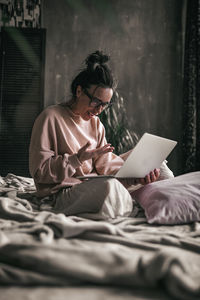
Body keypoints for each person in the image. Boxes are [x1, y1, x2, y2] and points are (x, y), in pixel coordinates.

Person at [29, 50, 174, 219]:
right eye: (96, 101)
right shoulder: (50, 117)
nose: (99, 110)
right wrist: (77, 159)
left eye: (105, 105)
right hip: (63, 192)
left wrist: (136, 178)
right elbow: (39, 173)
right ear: (79, 91)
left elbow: (104, 166)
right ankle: (131, 201)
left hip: (94, 181)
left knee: (161, 169)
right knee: (109, 187)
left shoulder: (96, 123)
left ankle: (164, 208)